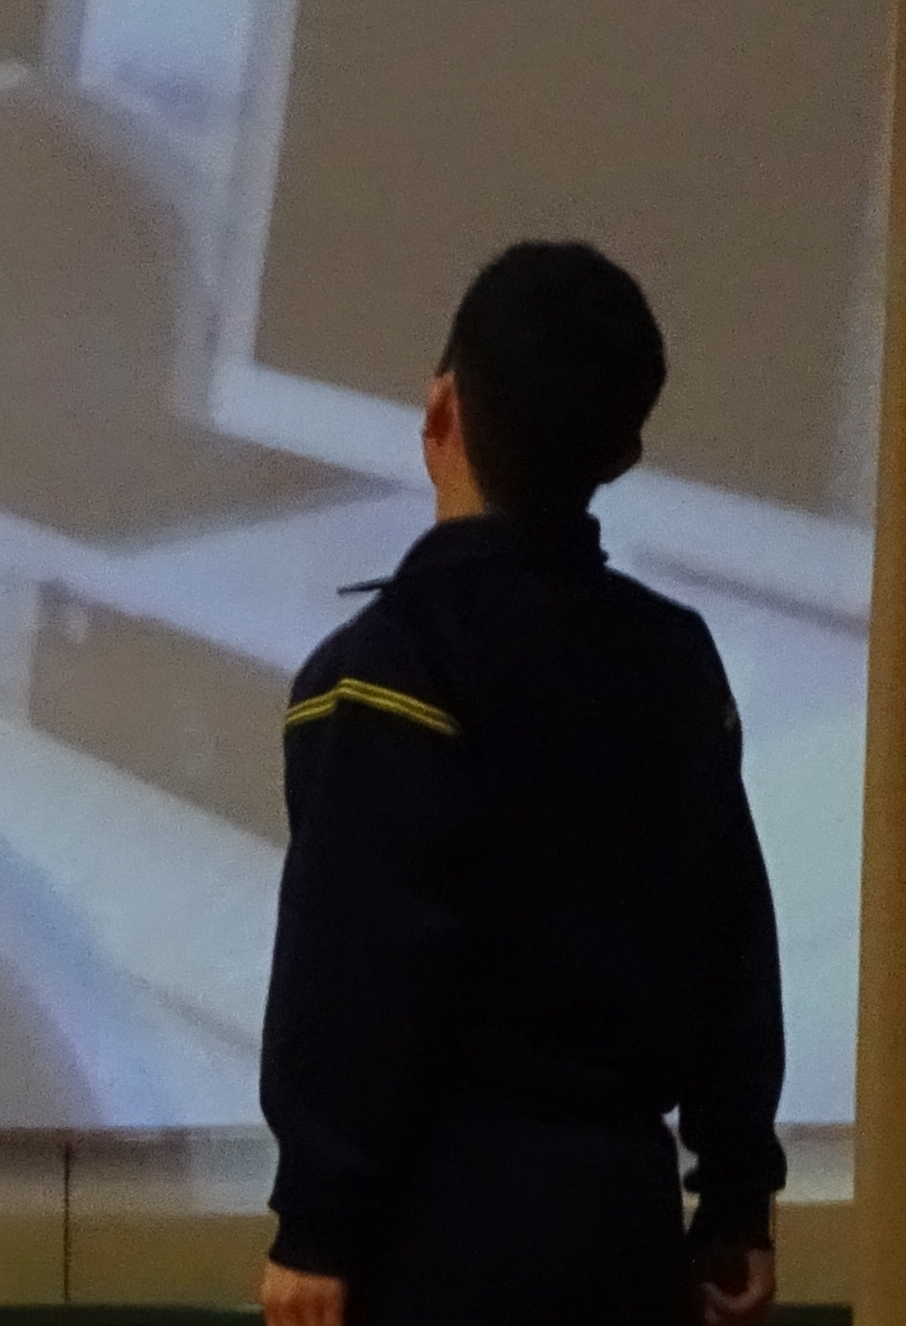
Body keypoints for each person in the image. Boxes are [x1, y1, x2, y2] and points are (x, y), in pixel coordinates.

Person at [258, 239, 785, 1326]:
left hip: (437, 1239)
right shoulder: (677, 662)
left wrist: (316, 1220)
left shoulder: (386, 672)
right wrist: (737, 1196)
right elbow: (734, 944)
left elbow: (352, 966)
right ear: (625, 453)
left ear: (440, 409)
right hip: (626, 1229)